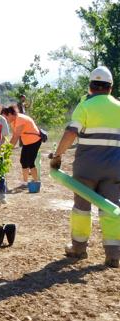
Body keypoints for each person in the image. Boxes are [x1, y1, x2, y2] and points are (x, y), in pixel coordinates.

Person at [50, 66, 120, 268]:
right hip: (114, 168)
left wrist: (58, 155)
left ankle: (78, 249)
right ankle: (113, 254)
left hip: (86, 168)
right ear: (111, 87)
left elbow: (71, 133)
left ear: (90, 86)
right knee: (112, 208)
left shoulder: (85, 106)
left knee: (81, 208)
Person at [1, 105, 42, 186]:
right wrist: (7, 147)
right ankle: (25, 182)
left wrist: (7, 151)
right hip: (27, 142)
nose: (5, 120)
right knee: (23, 161)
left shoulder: (20, 119)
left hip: (34, 141)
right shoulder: (13, 121)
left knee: (30, 162)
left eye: (5, 117)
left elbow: (16, 137)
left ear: (10, 114)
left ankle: (36, 182)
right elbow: (13, 136)